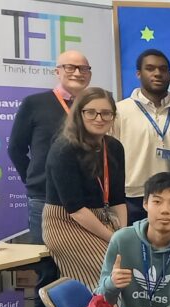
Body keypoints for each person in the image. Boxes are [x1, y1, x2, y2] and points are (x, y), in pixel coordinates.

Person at [8, 49, 90, 307]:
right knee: (48, 272)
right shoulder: (35, 104)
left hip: (85, 203)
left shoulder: (94, 107)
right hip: (44, 200)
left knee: (83, 271)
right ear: (58, 71)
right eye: (71, 67)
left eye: (84, 68)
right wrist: (37, 178)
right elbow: (16, 148)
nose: (78, 72)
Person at [43, 87, 126, 290]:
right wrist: (113, 238)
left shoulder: (114, 147)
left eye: (106, 113)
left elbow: (118, 199)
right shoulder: (63, 149)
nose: (99, 118)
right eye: (91, 112)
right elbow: (76, 210)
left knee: (130, 264)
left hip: (104, 219)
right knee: (111, 271)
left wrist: (123, 235)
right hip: (65, 222)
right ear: (79, 114)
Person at [95, 172, 170, 307]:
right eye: (157, 202)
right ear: (145, 204)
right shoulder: (122, 240)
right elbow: (101, 301)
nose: (165, 210)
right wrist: (111, 284)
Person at [113, 49, 170, 225]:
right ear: (138, 73)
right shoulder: (119, 111)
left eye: (163, 69)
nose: (157, 73)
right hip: (132, 197)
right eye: (150, 68)